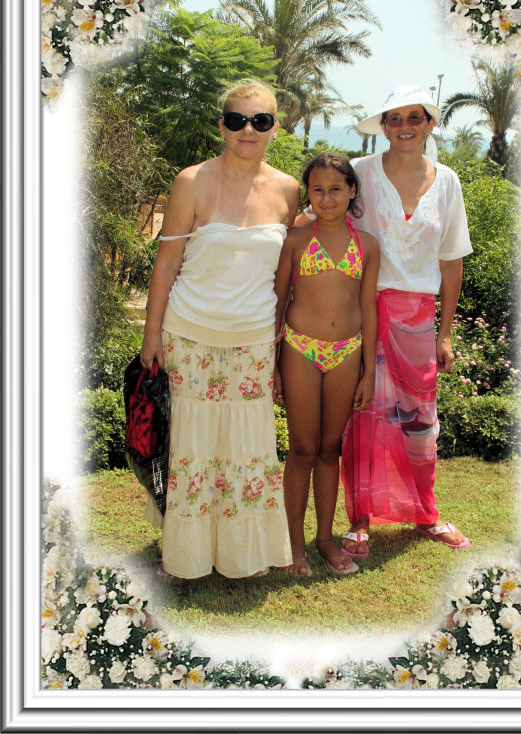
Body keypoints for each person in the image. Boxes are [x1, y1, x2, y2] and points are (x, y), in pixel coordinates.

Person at [140, 79, 299, 579]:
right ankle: (185, 556)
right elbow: (167, 263)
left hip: (253, 340)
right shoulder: (191, 181)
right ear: (222, 126)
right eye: (236, 119)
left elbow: (287, 273)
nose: (248, 129)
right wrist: (151, 334)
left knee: (246, 452)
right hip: (190, 334)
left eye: (260, 120)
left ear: (275, 128)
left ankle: (243, 555)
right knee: (192, 449)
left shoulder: (289, 190)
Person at [339, 85, 473, 558]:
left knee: (421, 422)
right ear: (383, 126)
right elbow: (324, 218)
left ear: (430, 124)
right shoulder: (359, 173)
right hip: (362, 311)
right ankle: (360, 520)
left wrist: (445, 333)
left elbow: (452, 261)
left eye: (414, 117)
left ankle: (426, 515)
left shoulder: (448, 182)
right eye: (394, 119)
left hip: (418, 318)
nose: (404, 127)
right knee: (363, 416)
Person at [273, 154, 379, 576]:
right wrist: (273, 364)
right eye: (317, 190)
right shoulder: (296, 240)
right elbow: (278, 302)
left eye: (336, 188)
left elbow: (368, 310)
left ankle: (324, 539)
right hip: (300, 349)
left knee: (329, 448)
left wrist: (369, 372)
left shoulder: (367, 245)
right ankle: (293, 543)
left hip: (347, 353)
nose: (326, 197)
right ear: (308, 193)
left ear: (352, 190)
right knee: (302, 447)